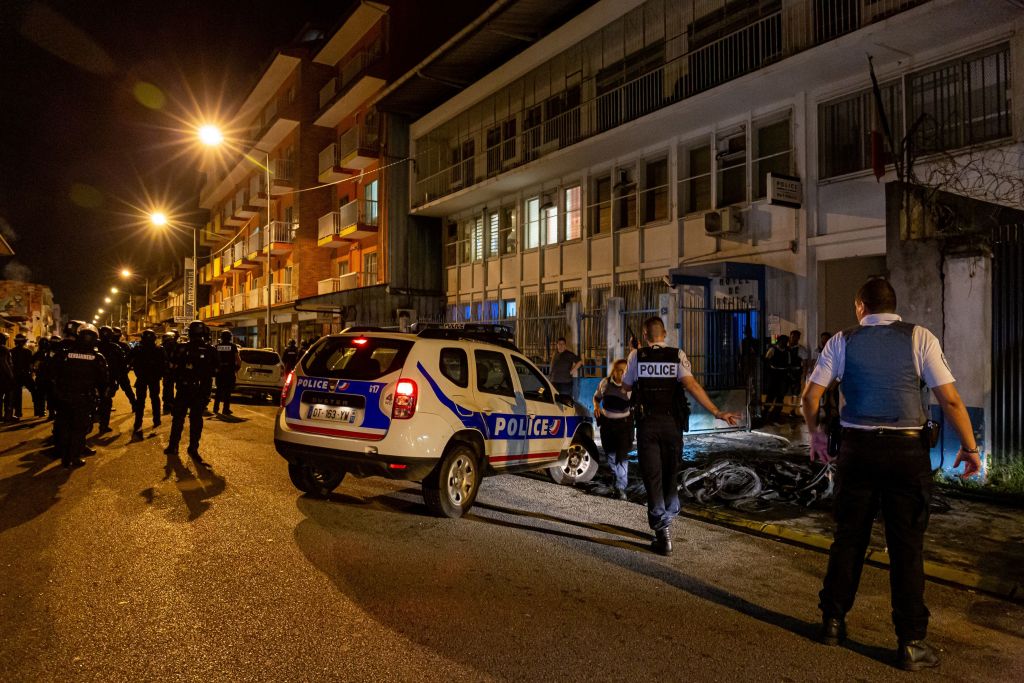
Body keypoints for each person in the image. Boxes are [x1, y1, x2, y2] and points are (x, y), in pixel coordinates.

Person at [800, 278, 981, 672]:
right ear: (893, 307)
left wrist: (816, 436)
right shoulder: (920, 338)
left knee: (848, 539)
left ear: (860, 306)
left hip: (857, 451)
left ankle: (832, 623)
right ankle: (911, 643)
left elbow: (811, 396)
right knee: (907, 547)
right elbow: (950, 399)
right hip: (906, 454)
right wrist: (970, 448)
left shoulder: (842, 341)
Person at [622, 317, 741, 555]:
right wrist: (717, 412)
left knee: (653, 477)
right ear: (665, 333)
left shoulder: (636, 356)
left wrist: (634, 355)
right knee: (670, 473)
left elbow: (626, 387)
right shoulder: (677, 355)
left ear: (645, 335)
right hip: (672, 425)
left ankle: (662, 532)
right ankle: (670, 510)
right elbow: (692, 385)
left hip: (647, 425)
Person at [52, 324, 107, 468]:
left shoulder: (65, 354)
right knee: (80, 428)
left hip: (65, 397)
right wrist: (102, 397)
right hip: (83, 398)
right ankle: (74, 457)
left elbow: (52, 373)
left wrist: (56, 393)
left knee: (65, 426)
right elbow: (103, 380)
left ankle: (66, 456)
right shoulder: (97, 357)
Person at [165, 320, 217, 463]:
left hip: (183, 389)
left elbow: (171, 369)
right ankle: (193, 449)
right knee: (196, 420)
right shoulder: (210, 350)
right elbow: (215, 370)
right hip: (200, 391)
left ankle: (173, 446)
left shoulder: (181, 348)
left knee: (178, 418)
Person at [592, 358, 632, 500]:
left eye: (625, 371)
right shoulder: (605, 383)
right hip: (607, 425)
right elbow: (596, 397)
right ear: (614, 371)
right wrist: (596, 407)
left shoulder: (631, 386)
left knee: (622, 457)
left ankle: (621, 488)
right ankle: (617, 481)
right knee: (610, 455)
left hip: (624, 426)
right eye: (619, 370)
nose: (622, 373)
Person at [131, 329, 165, 433]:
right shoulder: (159, 349)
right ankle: (156, 420)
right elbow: (164, 364)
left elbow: (129, 360)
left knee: (140, 401)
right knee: (155, 399)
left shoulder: (137, 349)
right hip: (153, 378)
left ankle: (138, 423)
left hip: (142, 378)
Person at [96, 326, 128, 434]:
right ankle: (103, 425)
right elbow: (123, 363)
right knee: (106, 402)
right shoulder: (115, 347)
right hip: (107, 379)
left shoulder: (94, 345)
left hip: (96, 379)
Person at [212, 330, 241, 416]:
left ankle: (215, 408)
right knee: (227, 392)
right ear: (230, 337)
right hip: (229, 372)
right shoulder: (233, 346)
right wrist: (237, 369)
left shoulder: (217, 346)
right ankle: (225, 409)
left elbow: (214, 360)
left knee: (218, 390)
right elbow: (238, 360)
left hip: (220, 372)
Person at [763, 334, 789, 422]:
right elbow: (766, 360)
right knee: (771, 395)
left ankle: (776, 415)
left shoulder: (787, 351)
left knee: (780, 396)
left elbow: (788, 363)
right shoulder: (773, 350)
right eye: (783, 341)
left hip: (783, 374)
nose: (784, 343)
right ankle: (765, 413)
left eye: (786, 341)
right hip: (774, 374)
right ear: (779, 341)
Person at [111, 327, 139, 408]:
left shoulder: (122, 345)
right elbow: (131, 359)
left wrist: (127, 368)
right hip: (117, 371)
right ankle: (134, 405)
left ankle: (134, 404)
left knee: (127, 389)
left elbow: (131, 358)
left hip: (119, 371)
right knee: (127, 389)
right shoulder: (121, 345)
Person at [10, 333, 35, 420]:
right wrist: (31, 373)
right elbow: (31, 365)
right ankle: (39, 409)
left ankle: (18, 412)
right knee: (35, 390)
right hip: (25, 375)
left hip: (15, 375)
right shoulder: (28, 352)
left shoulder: (11, 351)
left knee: (17, 394)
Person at [30, 337, 51, 417]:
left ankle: (40, 411)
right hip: (49, 377)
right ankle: (51, 411)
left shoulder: (37, 354)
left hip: (40, 377)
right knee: (49, 394)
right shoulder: (50, 353)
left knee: (40, 395)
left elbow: (32, 365)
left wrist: (34, 371)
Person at [160, 331, 178, 414]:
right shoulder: (174, 345)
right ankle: (172, 404)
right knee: (172, 388)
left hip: (167, 371)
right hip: (173, 370)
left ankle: (168, 404)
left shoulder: (163, 346)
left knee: (168, 387)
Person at [0, 333, 13, 422]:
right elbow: (4, 363)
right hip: (4, 377)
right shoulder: (4, 349)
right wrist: (11, 375)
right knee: (8, 396)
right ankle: (7, 416)